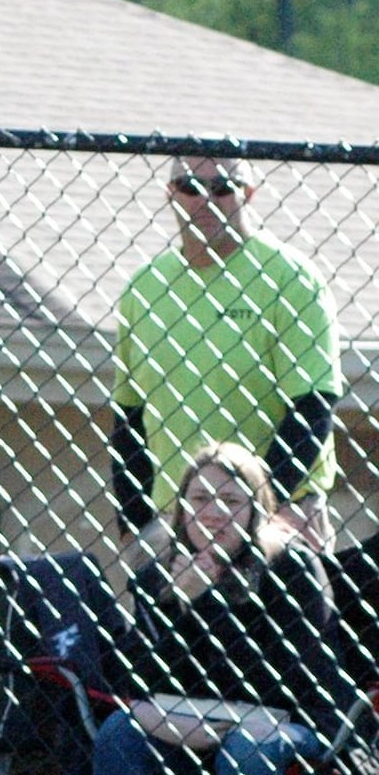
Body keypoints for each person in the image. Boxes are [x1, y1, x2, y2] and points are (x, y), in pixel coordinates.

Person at [96, 441, 358, 775]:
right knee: (119, 733)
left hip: (292, 728)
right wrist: (177, 603)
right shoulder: (161, 573)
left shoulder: (291, 568)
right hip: (193, 726)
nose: (213, 511)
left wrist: (218, 708)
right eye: (199, 497)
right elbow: (133, 680)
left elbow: (291, 680)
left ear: (257, 508)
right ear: (180, 508)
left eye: (230, 499)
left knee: (248, 746)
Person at [110, 154, 343, 554]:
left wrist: (264, 514)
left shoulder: (290, 279)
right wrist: (133, 524)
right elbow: (128, 418)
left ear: (248, 195)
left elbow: (313, 405)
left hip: (278, 514)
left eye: (223, 189)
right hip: (176, 519)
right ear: (171, 195)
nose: (206, 200)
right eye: (191, 188)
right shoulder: (145, 288)